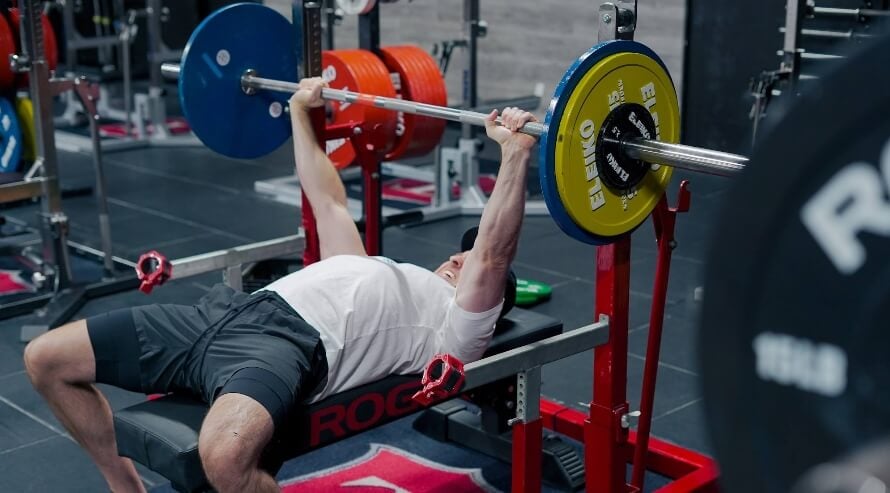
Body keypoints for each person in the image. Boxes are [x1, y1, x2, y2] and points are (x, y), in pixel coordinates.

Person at [21, 78, 538, 493]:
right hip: (223, 314)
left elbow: (494, 253)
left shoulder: (457, 330)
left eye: (465, 261)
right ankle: (124, 487)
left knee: (225, 459)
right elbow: (329, 200)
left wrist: (514, 153)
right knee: (46, 359)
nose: (458, 256)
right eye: (458, 250)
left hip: (285, 348)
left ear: (489, 303)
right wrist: (298, 110)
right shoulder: (370, 268)